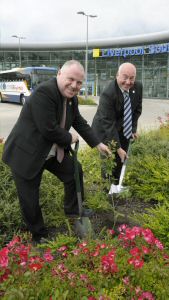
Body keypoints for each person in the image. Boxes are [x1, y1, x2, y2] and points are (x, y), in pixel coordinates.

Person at [2, 60, 110, 243]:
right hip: (26, 153)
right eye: (71, 79)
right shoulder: (45, 92)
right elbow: (49, 129)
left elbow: (79, 122)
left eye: (79, 82)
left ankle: (73, 211)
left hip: (49, 151)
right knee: (30, 198)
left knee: (74, 171)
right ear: (60, 73)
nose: (74, 85)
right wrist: (70, 138)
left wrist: (98, 143)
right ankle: (39, 235)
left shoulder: (71, 98)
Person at [92, 62, 142, 185]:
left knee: (122, 158)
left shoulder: (138, 87)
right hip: (105, 129)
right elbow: (108, 122)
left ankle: (115, 186)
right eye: (125, 77)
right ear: (117, 76)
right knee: (109, 160)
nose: (128, 82)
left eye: (132, 78)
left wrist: (133, 129)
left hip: (123, 128)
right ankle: (105, 191)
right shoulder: (108, 93)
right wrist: (118, 148)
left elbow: (137, 109)